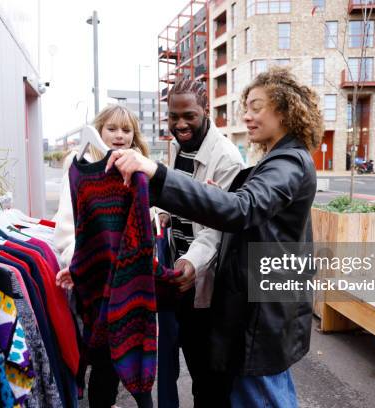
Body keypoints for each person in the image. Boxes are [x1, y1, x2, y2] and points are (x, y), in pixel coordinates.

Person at [105, 66, 322, 407]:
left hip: (262, 310)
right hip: (257, 304)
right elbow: (247, 207)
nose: (246, 116)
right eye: (245, 108)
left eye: (256, 107)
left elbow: (242, 209)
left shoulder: (288, 162)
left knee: (261, 394)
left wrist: (157, 175)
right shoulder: (278, 158)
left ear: (284, 108)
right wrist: (217, 195)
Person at [52, 104, 151, 408]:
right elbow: (67, 226)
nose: (119, 136)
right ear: (98, 130)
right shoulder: (78, 168)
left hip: (129, 279)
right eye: (112, 129)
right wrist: (77, 263)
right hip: (92, 281)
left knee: (131, 353)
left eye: (126, 130)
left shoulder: (137, 169)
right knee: (102, 360)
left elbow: (145, 221)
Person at [156, 79, 244, 408]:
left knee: (211, 379)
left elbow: (217, 228)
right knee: (195, 367)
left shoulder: (225, 158)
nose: (180, 124)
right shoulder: (183, 146)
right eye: (173, 116)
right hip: (183, 277)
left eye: (189, 115)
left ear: (205, 110)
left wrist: (191, 262)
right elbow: (181, 195)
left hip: (208, 283)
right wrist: (162, 213)